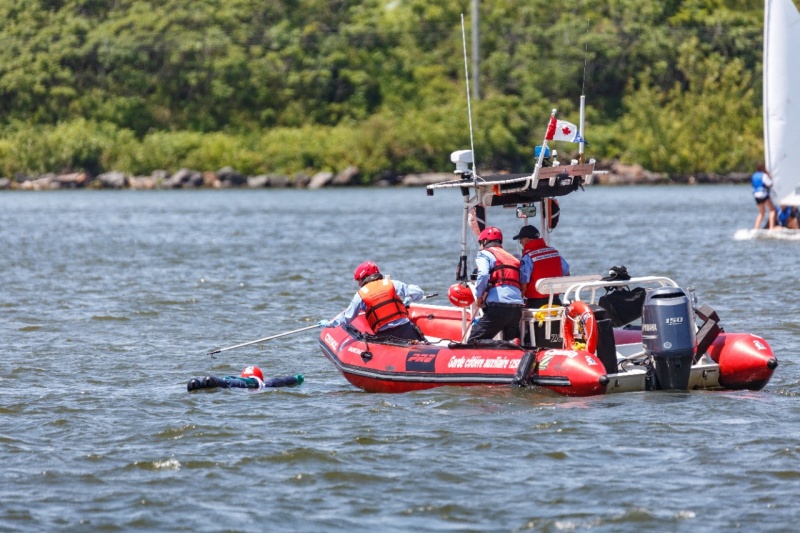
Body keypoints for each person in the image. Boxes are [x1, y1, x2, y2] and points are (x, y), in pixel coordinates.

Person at [317, 261, 425, 341]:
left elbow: (347, 317)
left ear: (365, 277)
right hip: (406, 328)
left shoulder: (360, 294)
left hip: (385, 334)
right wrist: (409, 298)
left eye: (359, 280)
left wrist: (330, 323)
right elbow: (418, 292)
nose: (358, 284)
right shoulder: (391, 283)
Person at [467, 227, 525, 343]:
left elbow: (483, 274)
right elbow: (522, 279)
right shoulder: (512, 257)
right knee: (512, 342)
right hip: (516, 308)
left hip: (498, 306)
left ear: (484, 242)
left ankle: (507, 343)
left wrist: (479, 296)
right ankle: (511, 344)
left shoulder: (484, 254)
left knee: (474, 340)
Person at [515, 225, 570, 309]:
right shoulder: (554, 252)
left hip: (536, 305)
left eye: (520, 240)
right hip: (556, 302)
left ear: (526, 240)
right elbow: (567, 274)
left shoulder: (528, 257)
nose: (520, 243)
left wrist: (516, 304)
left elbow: (524, 287)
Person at [187, 366, 304, 391]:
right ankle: (210, 382)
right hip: (230, 383)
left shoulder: (242, 379)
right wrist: (296, 378)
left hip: (227, 380)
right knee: (219, 382)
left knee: (209, 382)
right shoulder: (259, 383)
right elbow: (281, 381)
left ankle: (200, 384)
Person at [752, 162, 776, 230]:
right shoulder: (764, 175)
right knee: (772, 210)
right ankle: (771, 228)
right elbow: (769, 184)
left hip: (756, 195)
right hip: (763, 194)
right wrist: (770, 177)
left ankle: (756, 228)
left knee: (762, 212)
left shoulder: (754, 175)